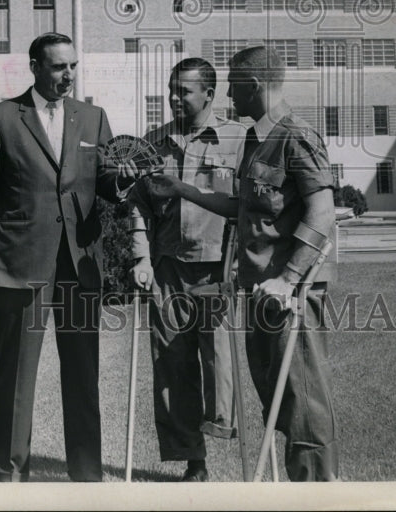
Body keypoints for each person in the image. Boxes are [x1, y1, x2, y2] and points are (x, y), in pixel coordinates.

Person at [148, 45, 339, 482]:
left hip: (291, 293)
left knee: (304, 400)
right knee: (278, 399)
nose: (229, 95)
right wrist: (183, 188)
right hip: (258, 289)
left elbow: (322, 213)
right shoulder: (257, 139)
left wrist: (289, 280)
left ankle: (318, 494)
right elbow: (244, 208)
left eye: (233, 85)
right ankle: (299, 487)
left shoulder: (297, 136)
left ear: (253, 85)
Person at [0, 32, 136, 482]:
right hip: (20, 263)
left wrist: (122, 182)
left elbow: (105, 181)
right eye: (60, 67)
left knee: (84, 376)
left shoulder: (93, 117)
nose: (69, 76)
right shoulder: (1, 117)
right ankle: (10, 475)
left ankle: (86, 475)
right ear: (36, 67)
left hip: (80, 267)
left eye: (73, 67)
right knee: (17, 377)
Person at [129, 57, 246, 482]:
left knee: (219, 364)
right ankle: (193, 459)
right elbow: (138, 207)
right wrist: (140, 258)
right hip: (167, 269)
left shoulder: (238, 139)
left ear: (209, 95)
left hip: (217, 268)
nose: (175, 98)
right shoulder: (153, 142)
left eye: (185, 91)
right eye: (171, 90)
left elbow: (247, 206)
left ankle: (222, 432)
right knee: (172, 366)